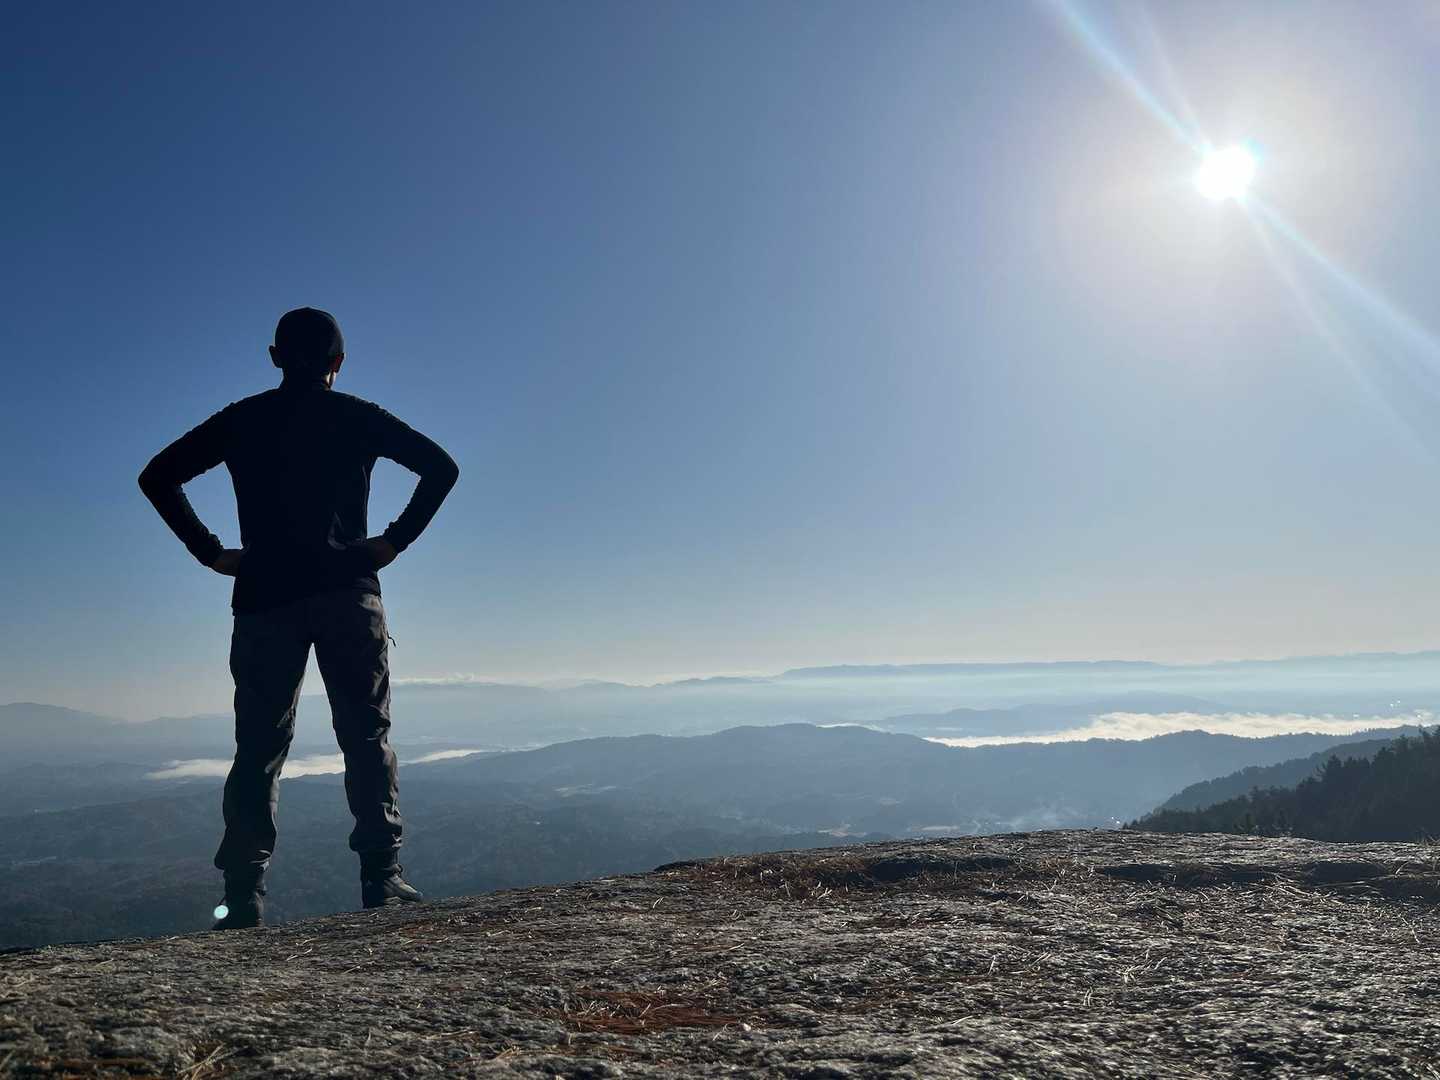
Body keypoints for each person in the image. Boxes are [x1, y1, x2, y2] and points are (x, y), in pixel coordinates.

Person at [138, 307, 459, 929]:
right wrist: (392, 542)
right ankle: (382, 877)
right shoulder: (358, 416)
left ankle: (242, 896)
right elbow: (441, 468)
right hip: (348, 595)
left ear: (274, 357)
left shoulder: (242, 419)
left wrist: (211, 553)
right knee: (366, 737)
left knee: (259, 745)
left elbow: (157, 477)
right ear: (339, 362)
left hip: (265, 599)